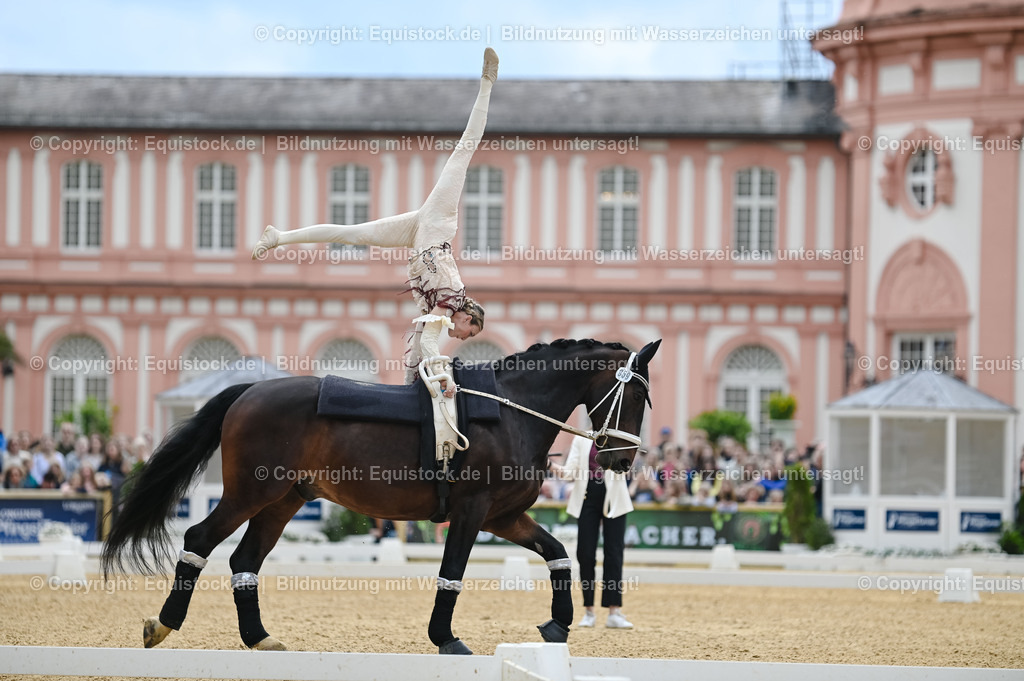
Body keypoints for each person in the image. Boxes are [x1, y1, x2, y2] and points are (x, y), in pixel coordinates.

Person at [252, 48, 498, 392]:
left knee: (352, 235)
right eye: (466, 333)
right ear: (467, 318)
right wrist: (444, 379)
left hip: (418, 235)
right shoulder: (450, 301)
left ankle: (279, 237)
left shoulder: (443, 308)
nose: (459, 337)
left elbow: (417, 349)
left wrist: (417, 382)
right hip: (438, 224)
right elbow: (428, 345)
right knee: (464, 149)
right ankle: (488, 83)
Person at [551, 435, 634, 629]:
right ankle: (589, 610)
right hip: (587, 498)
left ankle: (614, 611)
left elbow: (625, 466)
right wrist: (549, 464)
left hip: (615, 499)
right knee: (585, 554)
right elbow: (569, 473)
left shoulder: (618, 436)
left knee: (614, 554)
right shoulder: (581, 440)